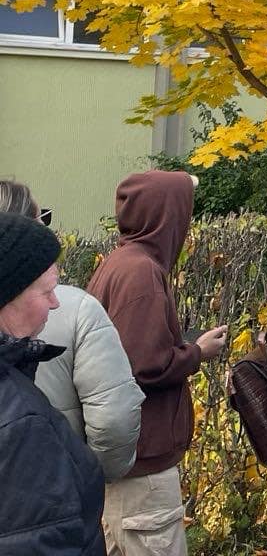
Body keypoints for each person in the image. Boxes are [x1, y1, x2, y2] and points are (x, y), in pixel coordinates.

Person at [88, 170, 229, 556]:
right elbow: (143, 366)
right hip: (144, 469)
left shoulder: (118, 263)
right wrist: (197, 352)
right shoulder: (141, 273)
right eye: (184, 209)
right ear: (166, 214)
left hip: (127, 463)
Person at [0, 179, 141, 481]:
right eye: (42, 220)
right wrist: (86, 480)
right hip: (55, 495)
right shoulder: (77, 308)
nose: (52, 303)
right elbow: (114, 420)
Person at [0, 210, 109, 556]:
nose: (56, 301)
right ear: (7, 299)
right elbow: (36, 542)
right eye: (46, 290)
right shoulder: (20, 422)